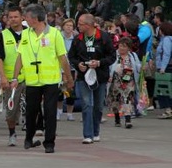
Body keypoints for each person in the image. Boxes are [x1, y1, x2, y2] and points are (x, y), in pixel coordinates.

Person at [11, 4, 73, 154]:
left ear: (35, 19)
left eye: (26, 17)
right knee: (31, 111)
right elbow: (20, 56)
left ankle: (49, 142)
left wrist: (68, 77)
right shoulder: (26, 34)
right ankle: (28, 137)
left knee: (50, 112)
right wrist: (15, 77)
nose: (25, 20)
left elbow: (62, 58)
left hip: (50, 80)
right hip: (32, 80)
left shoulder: (54, 34)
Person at [68, 14, 115, 144]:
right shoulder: (78, 39)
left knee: (98, 106)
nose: (78, 26)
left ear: (88, 25)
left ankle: (95, 131)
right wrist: (78, 65)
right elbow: (71, 56)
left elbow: (112, 56)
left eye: (80, 24)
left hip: (100, 76)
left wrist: (99, 63)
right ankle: (87, 134)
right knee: (87, 104)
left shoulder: (104, 37)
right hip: (84, 76)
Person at [0, 6, 26, 147]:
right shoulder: (4, 35)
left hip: (30, 77)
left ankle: (31, 132)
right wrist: (3, 77)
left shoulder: (30, 33)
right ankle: (12, 133)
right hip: (10, 79)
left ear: (22, 17)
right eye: (10, 17)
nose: (13, 19)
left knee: (33, 106)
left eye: (16, 17)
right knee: (11, 110)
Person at [107, 37, 141, 126]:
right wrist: (108, 76)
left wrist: (142, 67)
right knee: (115, 100)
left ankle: (128, 120)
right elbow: (108, 66)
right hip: (115, 81)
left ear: (129, 48)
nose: (122, 48)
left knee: (127, 99)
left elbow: (138, 66)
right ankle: (117, 118)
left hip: (129, 80)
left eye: (124, 46)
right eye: (120, 46)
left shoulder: (133, 56)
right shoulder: (113, 55)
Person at [58, 18, 77, 121]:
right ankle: (59, 110)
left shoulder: (75, 39)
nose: (69, 27)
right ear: (63, 26)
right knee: (60, 90)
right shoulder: (59, 37)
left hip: (72, 68)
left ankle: (70, 113)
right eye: (67, 25)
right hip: (59, 68)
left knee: (70, 90)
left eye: (71, 26)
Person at [155, 22, 172, 118]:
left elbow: (166, 54)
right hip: (169, 67)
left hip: (165, 68)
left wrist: (162, 68)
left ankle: (167, 109)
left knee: (163, 89)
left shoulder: (166, 40)